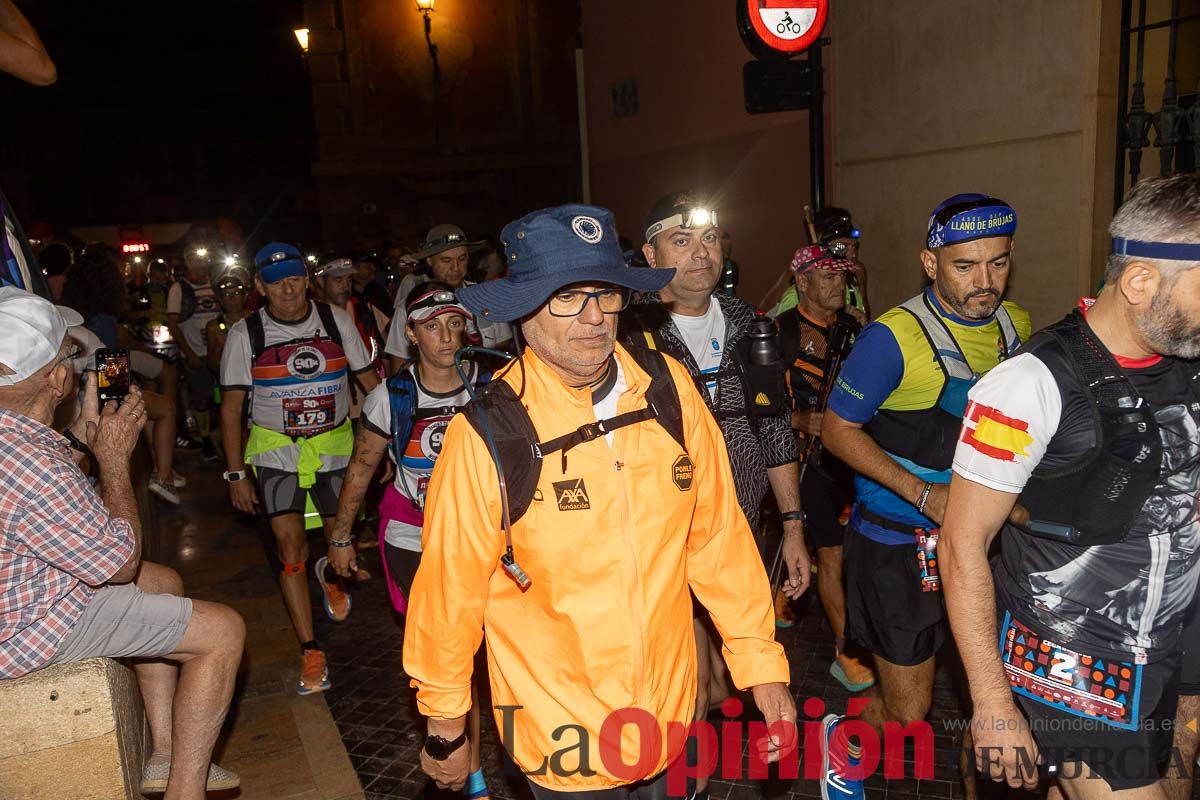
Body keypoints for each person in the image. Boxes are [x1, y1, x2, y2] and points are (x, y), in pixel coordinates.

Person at [403, 204, 796, 798]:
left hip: (670, 721)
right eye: (566, 297)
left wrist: (760, 665)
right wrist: (445, 726)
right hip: (561, 738)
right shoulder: (489, 433)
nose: (592, 317)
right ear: (523, 308)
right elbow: (448, 593)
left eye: (604, 294)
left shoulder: (668, 390)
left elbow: (716, 539)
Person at [940, 173, 1200, 798]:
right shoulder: (1026, 385)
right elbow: (961, 544)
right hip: (1076, 656)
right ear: (1141, 282)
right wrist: (992, 703)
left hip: (1174, 636)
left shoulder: (1185, 356)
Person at [820, 193, 1030, 800]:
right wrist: (923, 495)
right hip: (897, 546)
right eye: (966, 266)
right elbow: (836, 430)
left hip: (984, 546)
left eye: (998, 262)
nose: (984, 281)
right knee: (909, 715)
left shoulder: (1014, 324)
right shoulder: (892, 337)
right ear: (930, 262)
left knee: (995, 694)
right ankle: (843, 736)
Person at [0, 287, 244, 800]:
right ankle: (186, 791)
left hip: (13, 593)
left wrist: (82, 450)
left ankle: (165, 754)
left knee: (163, 582)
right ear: (59, 378)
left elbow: (54, 523)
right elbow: (115, 563)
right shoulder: (29, 460)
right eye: (69, 355)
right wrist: (112, 458)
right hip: (17, 633)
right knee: (222, 630)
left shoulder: (22, 441)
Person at [619, 193, 806, 766]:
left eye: (710, 238)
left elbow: (774, 427)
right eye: (682, 241)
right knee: (689, 684)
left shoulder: (753, 326)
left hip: (738, 531)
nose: (702, 254)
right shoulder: (626, 333)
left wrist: (794, 524)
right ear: (650, 253)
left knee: (725, 679)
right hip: (658, 539)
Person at [326, 281, 492, 800]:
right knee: (447, 657)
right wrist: (340, 537)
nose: (445, 336)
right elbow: (362, 469)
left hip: (480, 540)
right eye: (431, 326)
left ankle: (475, 768)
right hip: (412, 539)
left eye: (454, 324)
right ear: (412, 334)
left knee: (480, 657)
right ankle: (461, 772)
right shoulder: (390, 397)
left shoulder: (489, 387)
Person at [218, 242, 381, 695]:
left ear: (305, 279)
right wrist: (235, 475)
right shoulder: (244, 334)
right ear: (259, 287)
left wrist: (387, 446)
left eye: (293, 278)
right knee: (290, 548)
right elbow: (231, 410)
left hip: (333, 445)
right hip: (275, 452)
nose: (286, 289)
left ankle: (329, 573)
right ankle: (310, 650)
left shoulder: (335, 320)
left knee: (338, 537)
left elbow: (371, 384)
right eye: (275, 282)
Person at [776, 243, 872, 692]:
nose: (840, 285)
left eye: (843, 277)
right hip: (805, 459)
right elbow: (753, 404)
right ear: (802, 282)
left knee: (846, 550)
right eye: (829, 277)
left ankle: (786, 589)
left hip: (849, 456)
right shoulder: (780, 333)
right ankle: (843, 651)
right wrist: (797, 418)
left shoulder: (855, 327)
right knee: (831, 554)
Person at [384, 224, 512, 373]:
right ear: (429, 261)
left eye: (462, 259)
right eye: (446, 260)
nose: (456, 267)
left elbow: (504, 349)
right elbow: (398, 367)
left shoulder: (486, 297)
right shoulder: (410, 307)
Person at [167, 241, 222, 459]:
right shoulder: (179, 288)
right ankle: (206, 439)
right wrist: (188, 353)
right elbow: (172, 323)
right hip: (196, 353)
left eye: (203, 258)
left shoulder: (216, 284)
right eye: (195, 258)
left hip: (218, 351)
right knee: (201, 398)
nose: (200, 263)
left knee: (223, 396)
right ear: (188, 261)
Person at [312, 255, 386, 410]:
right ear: (320, 281)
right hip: (331, 407)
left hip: (368, 402)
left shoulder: (365, 310)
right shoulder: (310, 318)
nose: (345, 287)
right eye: (338, 280)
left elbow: (387, 351)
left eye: (349, 280)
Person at [771, 207, 870, 320]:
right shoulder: (794, 297)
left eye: (855, 247)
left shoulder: (853, 287)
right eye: (842, 246)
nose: (853, 255)